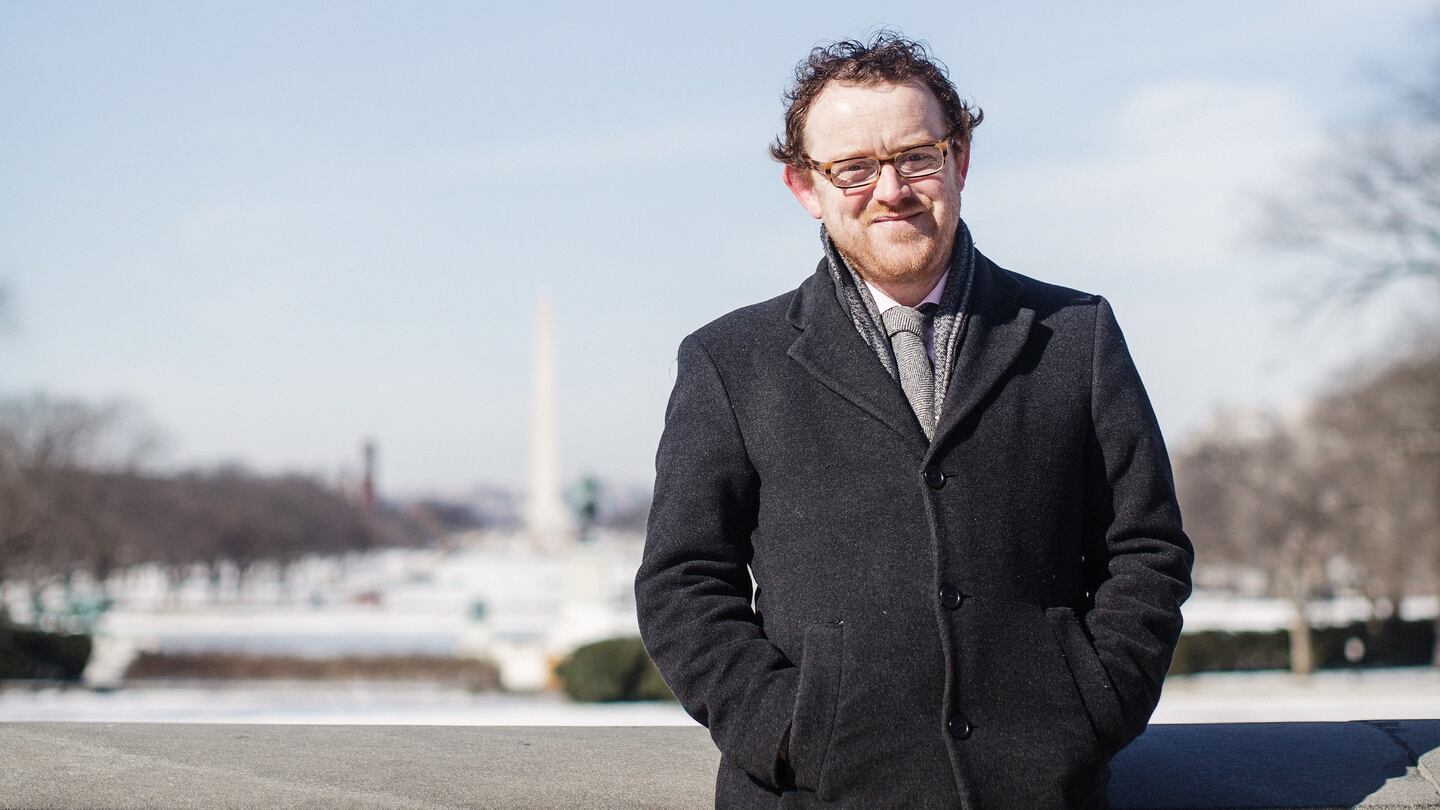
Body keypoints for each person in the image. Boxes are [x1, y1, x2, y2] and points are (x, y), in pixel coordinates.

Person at [635, 33, 1193, 809]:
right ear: (806, 186)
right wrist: (788, 730)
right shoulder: (730, 360)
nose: (890, 188)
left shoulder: (1077, 334)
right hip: (816, 793)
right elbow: (683, 583)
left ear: (960, 159)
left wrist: (1093, 705)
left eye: (917, 156)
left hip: (1041, 790)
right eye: (853, 168)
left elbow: (1146, 548)